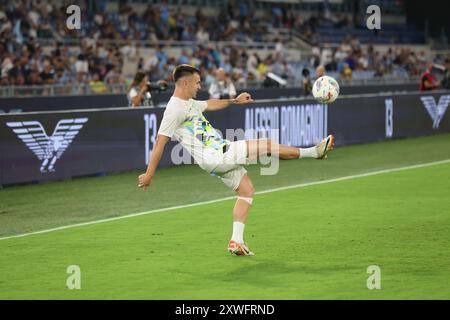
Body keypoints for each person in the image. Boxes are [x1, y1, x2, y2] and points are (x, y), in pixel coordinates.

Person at [137, 64, 335, 256]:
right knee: (265, 144)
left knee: (246, 191)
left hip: (215, 158)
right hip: (217, 155)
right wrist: (149, 174)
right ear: (185, 84)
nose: (200, 86)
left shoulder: (188, 103)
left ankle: (236, 241)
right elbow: (159, 143)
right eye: (197, 83)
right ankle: (314, 152)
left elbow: (210, 104)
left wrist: (235, 101)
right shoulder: (173, 110)